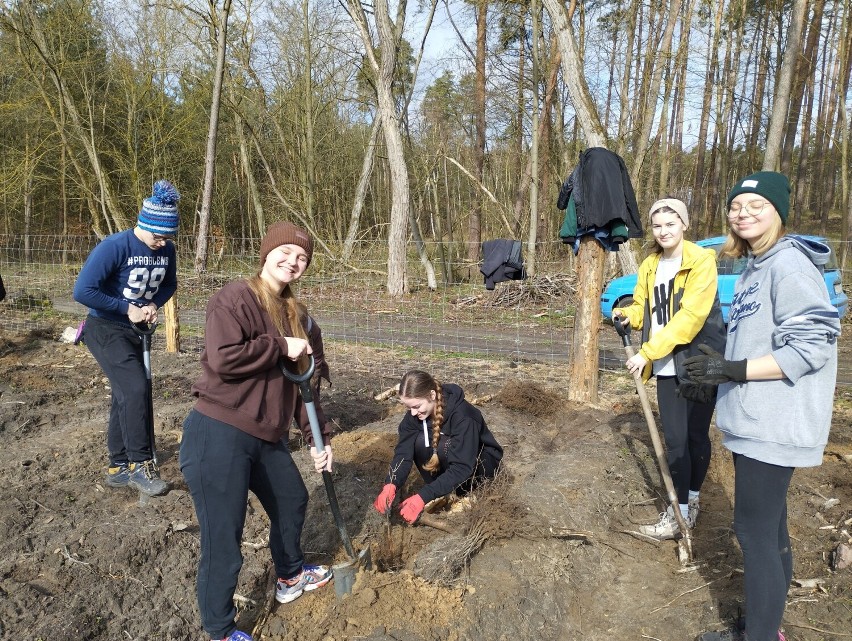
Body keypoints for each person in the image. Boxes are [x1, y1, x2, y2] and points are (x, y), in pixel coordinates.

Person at [685, 172, 839, 641]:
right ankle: (766, 628)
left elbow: (814, 343)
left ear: (779, 211)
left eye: (756, 204)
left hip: (776, 420)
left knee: (753, 534)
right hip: (759, 417)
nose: (743, 212)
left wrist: (735, 371)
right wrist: (722, 368)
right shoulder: (757, 264)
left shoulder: (788, 265)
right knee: (771, 531)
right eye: (736, 206)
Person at [180, 221, 333, 641]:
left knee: (292, 498)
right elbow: (224, 357)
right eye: (286, 252)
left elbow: (307, 385)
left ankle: (289, 577)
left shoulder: (301, 317)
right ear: (266, 253)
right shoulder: (233, 299)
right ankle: (220, 629)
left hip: (266, 436)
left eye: (302, 257)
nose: (293, 262)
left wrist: (318, 438)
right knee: (224, 540)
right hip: (218, 432)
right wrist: (281, 345)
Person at [613, 198, 725, 540]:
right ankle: (679, 513)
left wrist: (646, 353)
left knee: (694, 436)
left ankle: (690, 503)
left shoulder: (702, 261)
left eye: (671, 224)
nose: (663, 231)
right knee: (675, 441)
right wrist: (626, 316)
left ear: (684, 225)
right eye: (658, 225)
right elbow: (645, 307)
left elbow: (689, 319)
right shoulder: (650, 264)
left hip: (699, 358)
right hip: (665, 360)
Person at [73, 180, 180, 496]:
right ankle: (140, 465)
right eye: (157, 235)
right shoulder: (114, 246)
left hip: (135, 331)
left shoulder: (167, 250)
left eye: (168, 236)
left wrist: (152, 305)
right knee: (136, 390)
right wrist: (127, 308)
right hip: (105, 329)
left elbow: (169, 285)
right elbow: (82, 291)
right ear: (143, 224)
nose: (162, 242)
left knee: (125, 394)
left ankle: (117, 467)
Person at [373, 370, 503, 523]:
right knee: (418, 442)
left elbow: (462, 466)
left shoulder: (463, 417)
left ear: (432, 396)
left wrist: (423, 497)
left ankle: (465, 494)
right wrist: (391, 483)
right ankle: (442, 491)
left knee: (445, 446)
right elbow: (403, 453)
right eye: (409, 408)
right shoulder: (415, 415)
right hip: (454, 466)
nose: (413, 413)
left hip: (480, 468)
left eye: (416, 406)